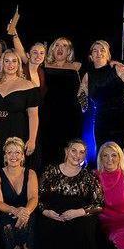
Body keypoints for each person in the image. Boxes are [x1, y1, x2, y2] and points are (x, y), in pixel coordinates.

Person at [36, 139, 122, 249]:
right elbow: (37, 197)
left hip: (80, 215)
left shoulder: (88, 176)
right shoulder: (50, 170)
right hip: (52, 214)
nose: (77, 155)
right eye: (74, 150)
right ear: (66, 151)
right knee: (49, 228)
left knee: (83, 228)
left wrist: (79, 212)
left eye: (82, 152)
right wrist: (46, 212)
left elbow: (99, 204)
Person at [79, 40, 124, 170]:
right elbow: (81, 99)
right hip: (102, 120)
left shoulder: (117, 69)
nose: (99, 53)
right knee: (103, 161)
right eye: (95, 50)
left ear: (108, 54)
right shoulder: (88, 75)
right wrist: (82, 99)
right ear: (90, 56)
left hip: (121, 118)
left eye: (102, 50)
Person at [0, 49, 40, 171]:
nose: (10, 64)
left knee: (18, 170)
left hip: (19, 135)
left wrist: (32, 139)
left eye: (14, 61)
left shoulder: (28, 85)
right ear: (2, 64)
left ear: (19, 64)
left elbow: (33, 115)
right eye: (7, 61)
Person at [0, 137, 40, 249]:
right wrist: (14, 210)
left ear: (23, 156)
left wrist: (25, 212)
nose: (14, 156)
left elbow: (33, 198)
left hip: (27, 211)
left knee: (29, 221)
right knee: (6, 223)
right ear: (5, 155)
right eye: (10, 152)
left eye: (17, 152)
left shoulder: (30, 173)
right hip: (6, 211)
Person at [39, 38, 84, 168]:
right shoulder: (43, 65)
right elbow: (24, 58)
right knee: (48, 150)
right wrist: (14, 35)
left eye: (64, 46)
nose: (60, 48)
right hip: (48, 115)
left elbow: (99, 67)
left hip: (71, 116)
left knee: (70, 149)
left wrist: (113, 63)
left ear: (69, 51)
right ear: (52, 49)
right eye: (57, 45)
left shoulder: (77, 66)